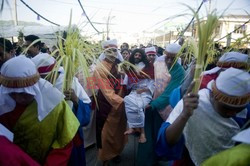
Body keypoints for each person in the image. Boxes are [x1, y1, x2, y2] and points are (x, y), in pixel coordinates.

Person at [156, 68, 250, 166]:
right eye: (226, 108)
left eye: (238, 110)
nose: (233, 114)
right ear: (213, 95)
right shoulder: (194, 102)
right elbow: (166, 141)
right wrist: (184, 115)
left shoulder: (247, 109)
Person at [0, 55, 80, 165]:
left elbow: (64, 141)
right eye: (13, 93)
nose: (18, 99)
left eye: (24, 93)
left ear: (35, 88)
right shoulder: (2, 104)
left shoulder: (55, 103)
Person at [31, 53, 91, 166]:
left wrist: (75, 99)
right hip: (46, 137)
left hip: (70, 135)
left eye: (49, 76)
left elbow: (86, 108)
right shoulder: (37, 86)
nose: (47, 80)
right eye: (43, 77)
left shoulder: (70, 82)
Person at [136, 43, 185, 166]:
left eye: (172, 58)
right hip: (153, 104)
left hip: (167, 109)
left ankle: (158, 159)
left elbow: (169, 93)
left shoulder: (180, 72)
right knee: (149, 136)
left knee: (161, 136)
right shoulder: (158, 64)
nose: (168, 60)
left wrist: (154, 104)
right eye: (167, 57)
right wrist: (148, 95)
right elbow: (157, 84)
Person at [93, 39, 127, 165]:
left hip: (122, 102)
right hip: (108, 104)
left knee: (119, 132)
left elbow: (129, 79)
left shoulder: (120, 64)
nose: (113, 53)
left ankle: (116, 153)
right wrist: (122, 101)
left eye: (114, 50)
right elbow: (106, 90)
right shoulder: (100, 68)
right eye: (109, 51)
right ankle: (105, 157)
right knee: (106, 133)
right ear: (104, 52)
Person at [123, 48, 155, 143]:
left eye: (139, 55)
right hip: (134, 91)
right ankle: (132, 127)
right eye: (136, 55)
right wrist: (123, 75)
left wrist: (144, 89)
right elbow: (127, 82)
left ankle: (142, 133)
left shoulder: (149, 67)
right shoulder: (131, 67)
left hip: (145, 92)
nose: (137, 57)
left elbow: (154, 83)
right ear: (133, 56)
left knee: (139, 105)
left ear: (143, 57)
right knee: (127, 99)